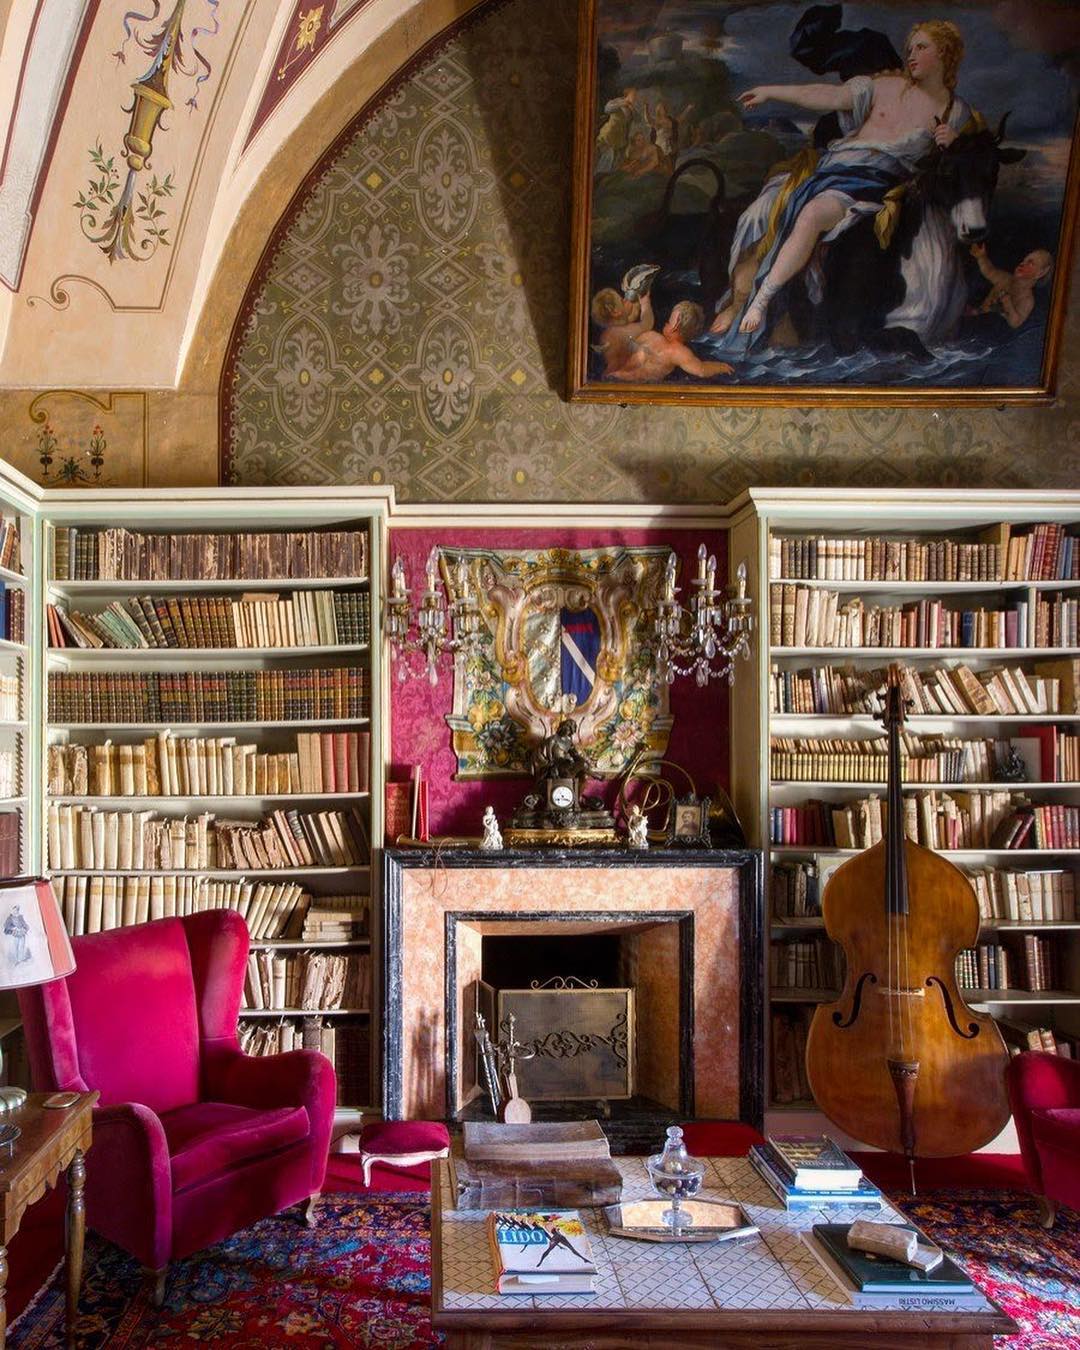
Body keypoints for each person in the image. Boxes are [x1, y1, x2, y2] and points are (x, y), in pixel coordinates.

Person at [710, 20, 971, 344]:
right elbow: (827, 95)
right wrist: (770, 91)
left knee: (816, 215)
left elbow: (965, 165)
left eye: (921, 47)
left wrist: (955, 142)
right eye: (909, 48)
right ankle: (752, 300)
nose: (911, 55)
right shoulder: (887, 86)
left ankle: (764, 300)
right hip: (836, 172)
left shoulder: (955, 111)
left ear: (944, 52)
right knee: (785, 211)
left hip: (880, 185)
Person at [607, 298, 735, 382]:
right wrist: (720, 366)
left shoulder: (652, 336)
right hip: (639, 381)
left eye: (668, 322)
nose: (665, 324)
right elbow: (701, 369)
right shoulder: (679, 353)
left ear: (675, 327)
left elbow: (627, 346)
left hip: (624, 376)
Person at [970, 243, 1053, 329]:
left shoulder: (1027, 299)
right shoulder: (1005, 278)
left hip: (991, 331)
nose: (1022, 263)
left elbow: (1015, 323)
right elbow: (989, 271)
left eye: (1030, 263)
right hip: (977, 317)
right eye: (1024, 260)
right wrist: (981, 257)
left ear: (1040, 273)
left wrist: (1008, 304)